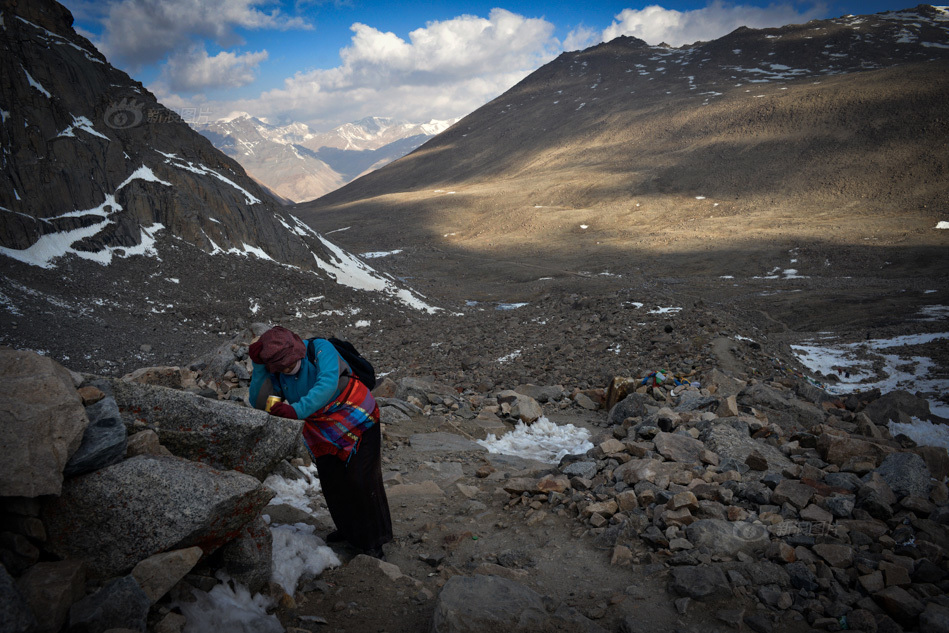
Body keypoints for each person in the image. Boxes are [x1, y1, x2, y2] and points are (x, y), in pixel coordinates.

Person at [248, 325, 392, 559]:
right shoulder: (276, 371)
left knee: (362, 479)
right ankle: (349, 531)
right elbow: (260, 402)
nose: (286, 369)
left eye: (289, 364)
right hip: (321, 429)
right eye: (280, 367)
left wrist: (296, 410)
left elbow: (326, 384)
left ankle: (374, 540)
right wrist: (259, 367)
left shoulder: (320, 349)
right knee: (332, 480)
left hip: (358, 417)